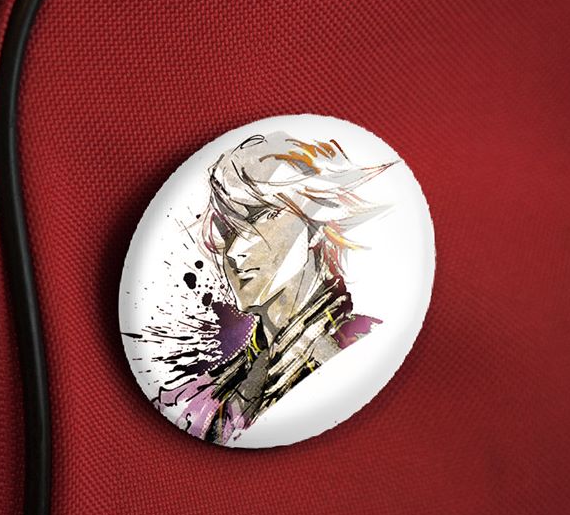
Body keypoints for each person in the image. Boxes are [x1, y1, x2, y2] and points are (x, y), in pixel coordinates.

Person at [159, 131, 395, 444]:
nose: (234, 252)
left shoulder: (361, 348)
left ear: (316, 223)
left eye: (262, 217)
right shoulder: (206, 395)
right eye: (227, 229)